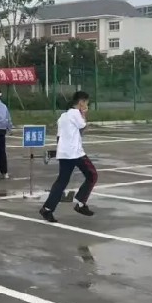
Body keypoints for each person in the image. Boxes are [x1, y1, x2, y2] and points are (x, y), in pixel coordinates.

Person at [39, 91, 97, 223]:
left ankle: (47, 209)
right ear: (81, 102)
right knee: (92, 175)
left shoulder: (63, 116)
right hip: (75, 153)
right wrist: (84, 114)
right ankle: (80, 203)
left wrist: (59, 151)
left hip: (64, 153)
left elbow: (60, 136)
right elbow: (82, 128)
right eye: (86, 103)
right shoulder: (76, 114)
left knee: (62, 181)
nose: (87, 105)